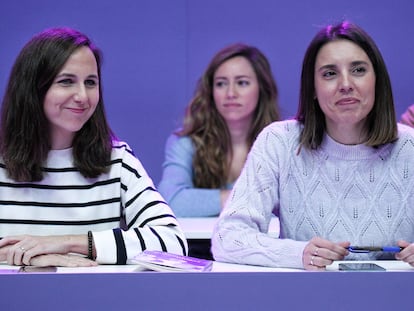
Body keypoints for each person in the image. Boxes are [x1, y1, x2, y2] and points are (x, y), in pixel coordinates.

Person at [212, 21, 414, 270]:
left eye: (358, 70)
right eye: (330, 73)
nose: (345, 84)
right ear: (313, 88)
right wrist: (298, 254)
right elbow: (227, 238)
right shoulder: (279, 142)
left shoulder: (410, 147)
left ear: (378, 80)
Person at [0, 27, 187, 267]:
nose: (82, 96)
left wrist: (68, 244)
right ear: (32, 88)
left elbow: (173, 242)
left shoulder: (117, 161)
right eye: (66, 81)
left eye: (90, 82)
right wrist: (37, 256)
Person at [158, 43, 280, 218]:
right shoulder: (185, 142)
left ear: (262, 89)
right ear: (211, 91)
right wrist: (242, 199)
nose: (231, 93)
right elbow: (170, 201)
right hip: (200, 244)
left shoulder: (281, 143)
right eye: (221, 84)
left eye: (242, 83)